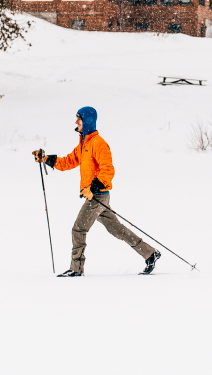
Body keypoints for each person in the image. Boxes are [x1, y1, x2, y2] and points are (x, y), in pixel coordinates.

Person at [33, 107, 161, 277]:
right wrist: (47, 159)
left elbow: (108, 170)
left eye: (78, 119)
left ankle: (76, 268)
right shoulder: (84, 144)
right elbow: (68, 162)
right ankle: (150, 253)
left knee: (78, 229)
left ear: (87, 121)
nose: (76, 122)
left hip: (97, 196)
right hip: (96, 196)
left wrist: (93, 188)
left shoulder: (98, 143)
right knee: (117, 229)